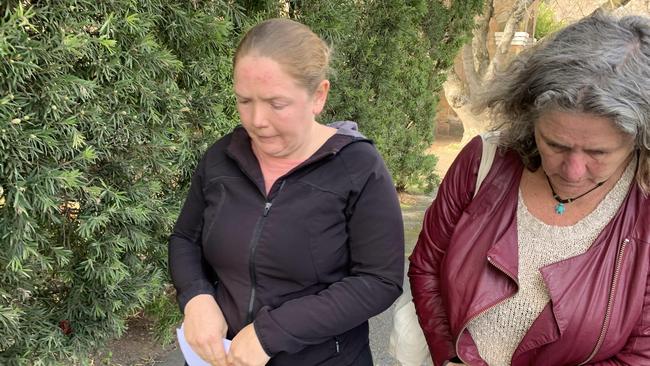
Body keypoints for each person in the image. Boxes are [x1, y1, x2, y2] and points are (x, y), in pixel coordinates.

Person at [408, 11, 650, 366]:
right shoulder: (484, 160)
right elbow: (427, 266)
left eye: (598, 152)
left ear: (640, 139)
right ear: (527, 116)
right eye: (555, 144)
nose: (573, 170)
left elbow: (642, 351)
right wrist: (450, 357)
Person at [168, 18, 404, 366]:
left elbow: (379, 280)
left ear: (318, 96)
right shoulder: (222, 158)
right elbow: (185, 238)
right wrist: (196, 297)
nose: (257, 119)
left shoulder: (358, 168)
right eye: (244, 100)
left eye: (276, 104)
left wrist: (271, 333)